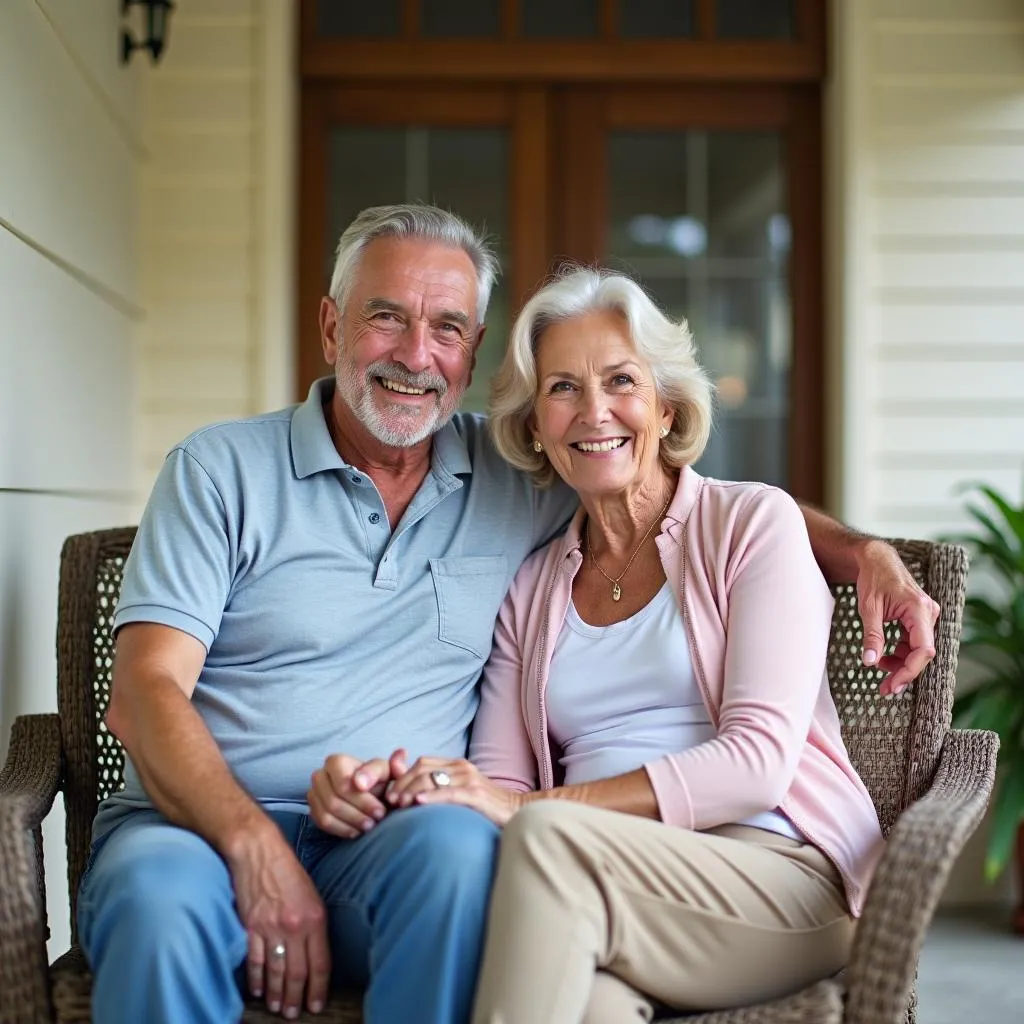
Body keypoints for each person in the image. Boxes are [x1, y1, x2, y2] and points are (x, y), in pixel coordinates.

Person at [78, 204, 936, 1024]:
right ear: (332, 327)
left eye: (447, 327)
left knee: (461, 860)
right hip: (195, 830)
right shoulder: (222, 471)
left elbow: (714, 508)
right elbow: (145, 689)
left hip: (404, 839)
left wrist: (863, 554)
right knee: (158, 905)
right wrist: (252, 845)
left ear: (472, 348)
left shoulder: (512, 475)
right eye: (386, 318)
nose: (417, 355)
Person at [380, 268, 888, 1024]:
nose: (594, 411)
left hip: (781, 879)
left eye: (621, 379)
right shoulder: (532, 591)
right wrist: (431, 785)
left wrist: (550, 812)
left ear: (665, 403)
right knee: (591, 1008)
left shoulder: (753, 527)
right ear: (532, 425)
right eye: (561, 388)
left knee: (547, 844)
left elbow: (755, 766)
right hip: (599, 889)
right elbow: (499, 787)